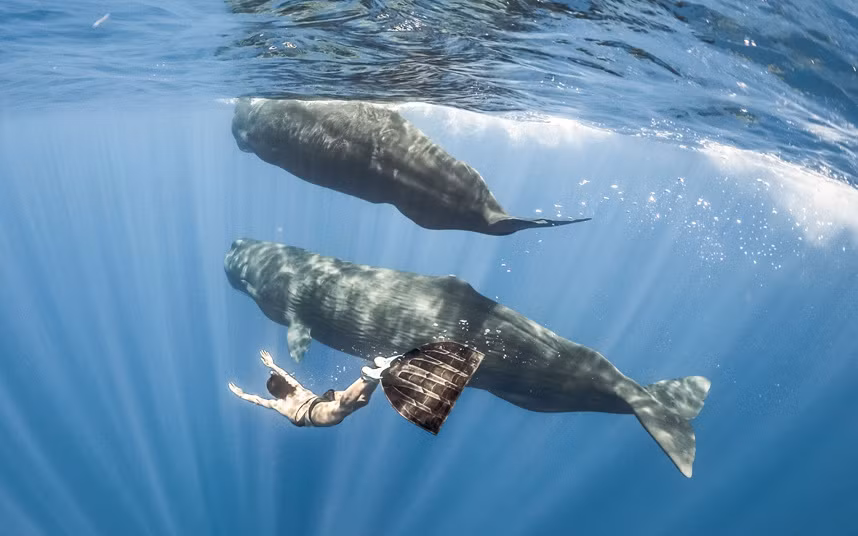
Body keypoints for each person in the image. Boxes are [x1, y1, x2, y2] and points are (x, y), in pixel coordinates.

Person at [228, 350, 394, 427]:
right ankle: (377, 366)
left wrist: (241, 394)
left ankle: (366, 377)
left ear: (274, 394)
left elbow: (258, 401)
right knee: (363, 401)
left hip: (314, 414)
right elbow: (283, 373)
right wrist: (271, 364)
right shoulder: (294, 386)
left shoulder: (278, 405)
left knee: (343, 408)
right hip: (324, 398)